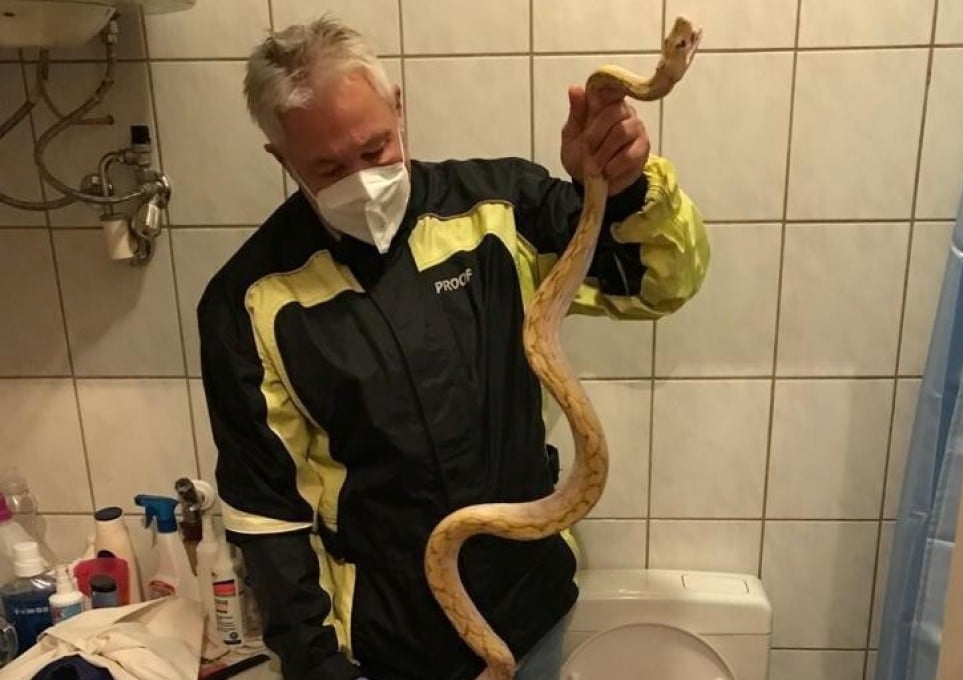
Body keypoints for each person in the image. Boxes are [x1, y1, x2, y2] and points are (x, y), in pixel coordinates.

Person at [197, 16, 708, 680]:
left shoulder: (500, 212)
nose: (361, 179)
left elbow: (660, 285)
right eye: (328, 167)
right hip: (387, 649)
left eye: (377, 147)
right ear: (282, 159)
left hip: (530, 614)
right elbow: (268, 515)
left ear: (399, 109)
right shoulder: (252, 300)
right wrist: (319, 668)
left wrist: (620, 189)